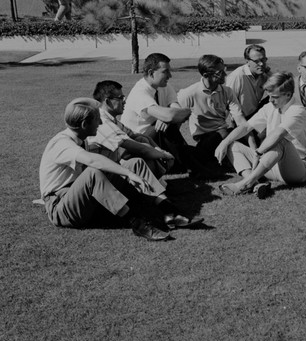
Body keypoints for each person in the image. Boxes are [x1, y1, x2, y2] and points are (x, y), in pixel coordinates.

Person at [39, 99, 201, 241]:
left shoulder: (82, 139)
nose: (101, 124)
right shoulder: (61, 143)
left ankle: (170, 212)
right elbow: (92, 161)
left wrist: (130, 169)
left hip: (82, 199)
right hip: (61, 208)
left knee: (134, 163)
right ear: (83, 125)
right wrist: (128, 175)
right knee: (94, 173)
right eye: (97, 120)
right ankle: (137, 224)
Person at [215, 71, 306, 198]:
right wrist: (224, 142)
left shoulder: (297, 110)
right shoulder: (270, 107)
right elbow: (246, 127)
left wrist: (259, 152)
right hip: (270, 164)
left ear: (288, 95)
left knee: (281, 141)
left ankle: (245, 184)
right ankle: (255, 182)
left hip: (296, 169)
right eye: (269, 96)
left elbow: (278, 134)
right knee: (232, 144)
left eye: (275, 97)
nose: (270, 100)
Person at [121, 53, 209, 176]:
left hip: (157, 139)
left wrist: (169, 117)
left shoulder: (164, 86)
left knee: (201, 153)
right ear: (151, 73)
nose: (170, 76)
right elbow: (172, 115)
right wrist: (169, 117)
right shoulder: (140, 92)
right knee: (170, 129)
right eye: (165, 72)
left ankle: (186, 164)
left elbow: (179, 112)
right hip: (137, 141)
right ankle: (195, 169)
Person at [88, 80, 175, 178]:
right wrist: (163, 155)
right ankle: (155, 190)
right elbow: (141, 149)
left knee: (142, 140)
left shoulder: (111, 119)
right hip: (104, 175)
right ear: (108, 101)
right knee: (139, 160)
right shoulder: (102, 122)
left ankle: (156, 187)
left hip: (113, 166)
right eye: (120, 98)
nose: (125, 101)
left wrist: (159, 150)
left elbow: (137, 136)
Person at [177, 54, 247, 165]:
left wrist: (252, 142)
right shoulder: (189, 93)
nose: (225, 74)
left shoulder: (227, 91)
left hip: (223, 132)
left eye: (224, 69)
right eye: (220, 72)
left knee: (242, 134)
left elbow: (241, 121)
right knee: (224, 134)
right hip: (205, 137)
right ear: (206, 75)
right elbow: (175, 118)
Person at [225, 45, 270, 119]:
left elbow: (282, 86)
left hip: (256, 113)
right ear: (247, 61)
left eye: (263, 60)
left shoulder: (263, 74)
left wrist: (269, 71)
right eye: (257, 61)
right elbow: (228, 103)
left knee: (278, 96)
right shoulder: (237, 76)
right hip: (241, 118)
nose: (261, 64)